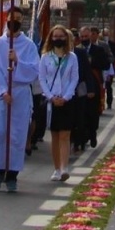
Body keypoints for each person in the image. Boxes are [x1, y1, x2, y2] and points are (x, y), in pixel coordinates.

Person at [0, 8, 40, 193]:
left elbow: (34, 71)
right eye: (11, 18)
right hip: (1, 95)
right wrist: (2, 92)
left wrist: (17, 61)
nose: (13, 22)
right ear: (5, 19)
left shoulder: (29, 45)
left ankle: (12, 175)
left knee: (16, 136)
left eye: (17, 19)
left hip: (20, 95)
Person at [38, 26, 79, 183]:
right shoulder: (45, 57)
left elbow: (74, 78)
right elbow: (42, 79)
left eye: (61, 36)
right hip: (51, 101)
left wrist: (66, 97)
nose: (58, 39)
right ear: (51, 38)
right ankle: (56, 168)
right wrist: (50, 96)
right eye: (55, 36)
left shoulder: (72, 57)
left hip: (67, 100)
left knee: (65, 135)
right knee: (55, 136)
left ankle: (64, 168)